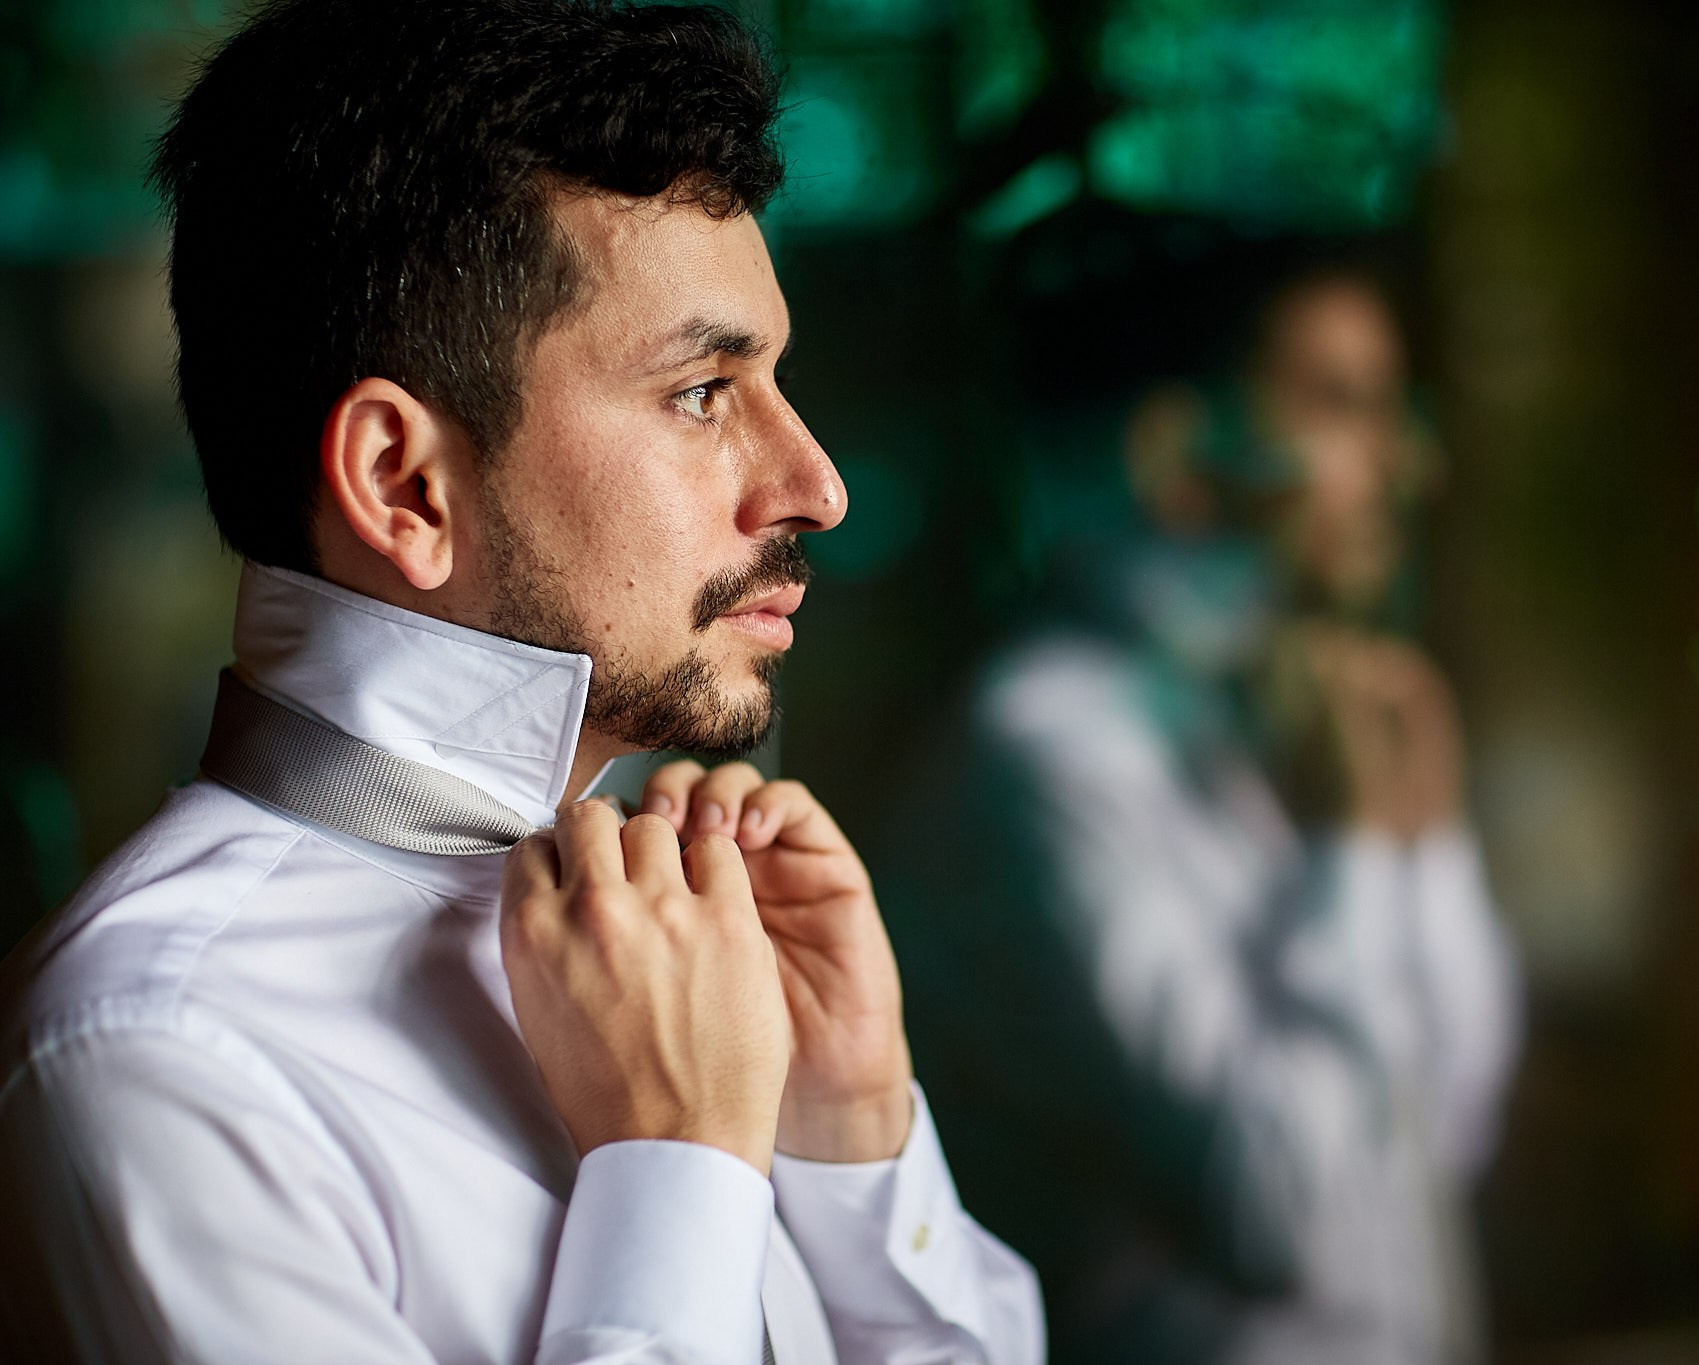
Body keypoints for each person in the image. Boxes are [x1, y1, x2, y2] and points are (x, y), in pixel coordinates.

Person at [0, 3, 1042, 1362]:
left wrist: (848, 1145)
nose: (817, 487)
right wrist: (676, 1165)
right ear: (404, 483)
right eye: (702, 392)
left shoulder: (722, 954)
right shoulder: (157, 1056)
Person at [887, 246, 1519, 1363]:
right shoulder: (1048, 753)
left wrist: (1422, 840)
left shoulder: (1303, 715)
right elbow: (1289, 1221)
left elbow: (1446, 1138)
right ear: (1175, 455)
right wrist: (1357, 853)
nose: (1408, 462)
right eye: (1339, 405)